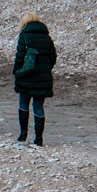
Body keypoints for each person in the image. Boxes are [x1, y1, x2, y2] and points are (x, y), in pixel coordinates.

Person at [13, 13, 57, 145]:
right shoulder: (47, 37)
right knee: (38, 106)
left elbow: (19, 57)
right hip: (42, 77)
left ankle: (23, 134)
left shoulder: (24, 36)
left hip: (26, 76)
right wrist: (45, 69)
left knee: (23, 104)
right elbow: (53, 57)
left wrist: (16, 71)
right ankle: (39, 138)